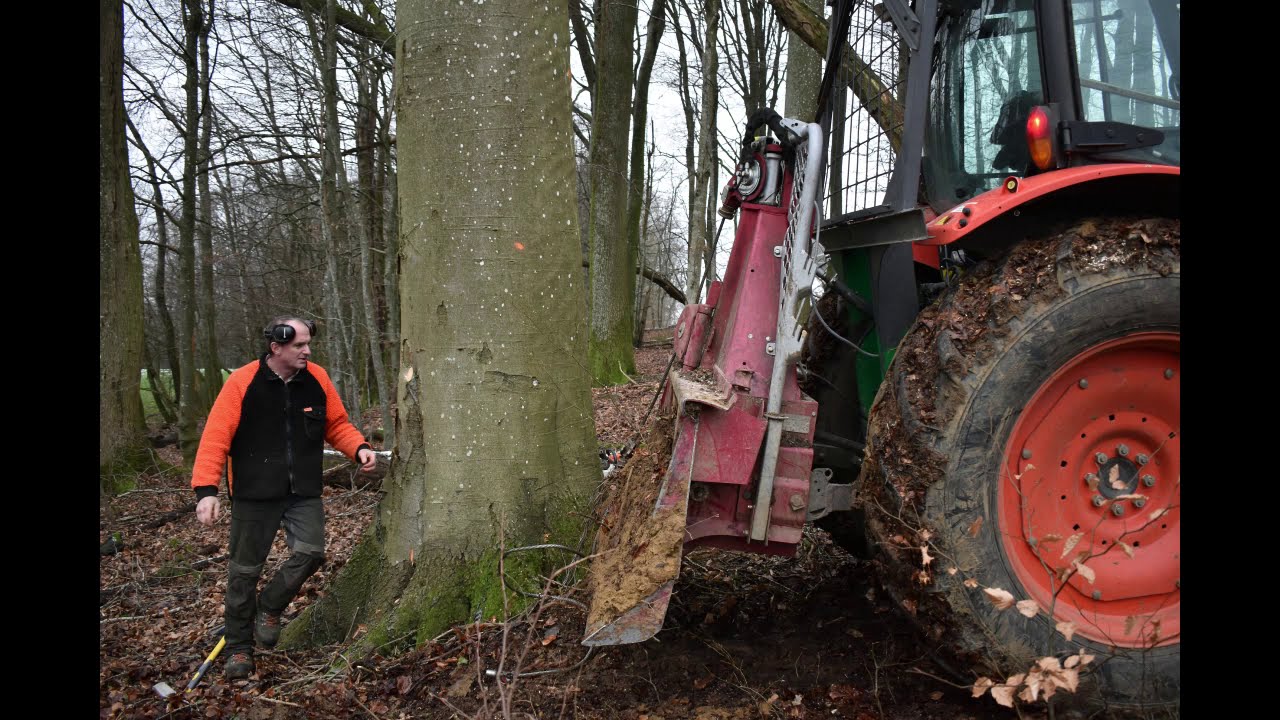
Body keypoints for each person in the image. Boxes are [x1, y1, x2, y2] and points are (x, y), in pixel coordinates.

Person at [191, 316, 377, 679]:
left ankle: (270, 606)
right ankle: (240, 650)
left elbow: (335, 424)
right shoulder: (242, 382)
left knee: (311, 552)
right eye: (299, 346)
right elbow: (216, 437)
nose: (307, 351)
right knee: (244, 573)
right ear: (276, 347)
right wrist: (206, 491)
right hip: (254, 493)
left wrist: (359, 448)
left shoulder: (317, 378)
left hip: (302, 491)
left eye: (308, 344)